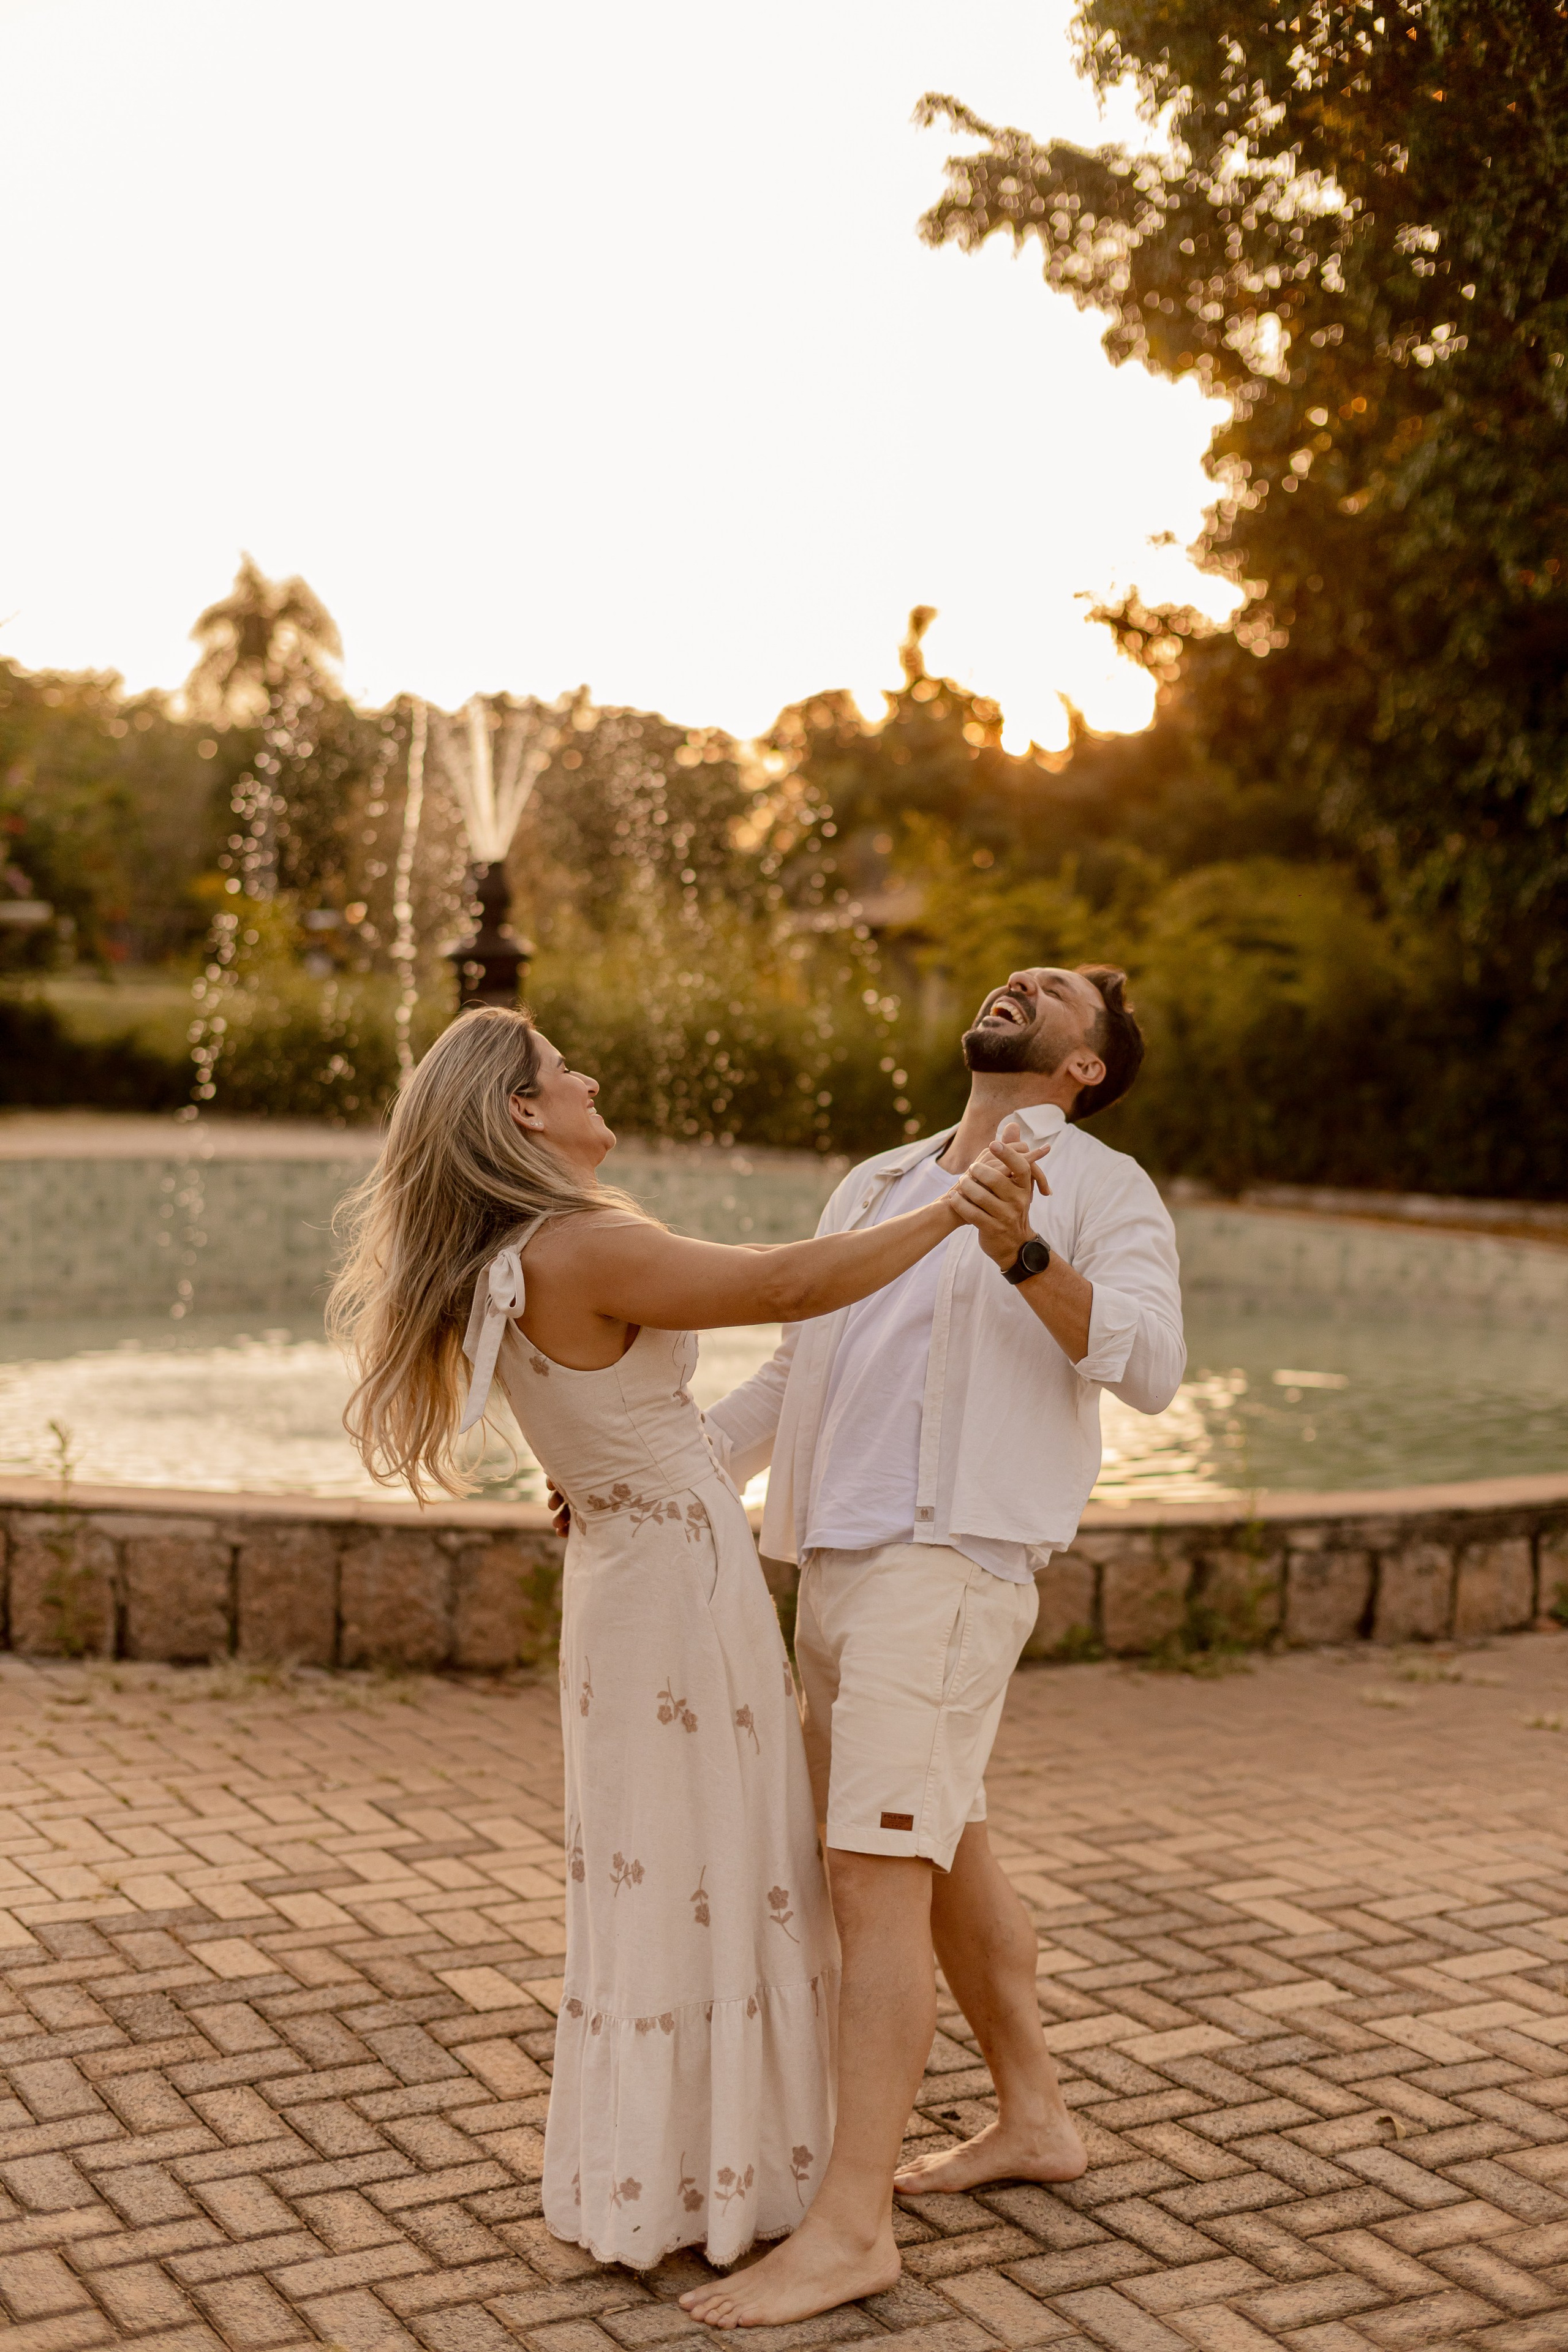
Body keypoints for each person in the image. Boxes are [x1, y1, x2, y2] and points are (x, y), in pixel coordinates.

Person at [326, 1005, 1014, 2278]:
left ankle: (669, 2172)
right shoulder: (586, 1242)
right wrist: (955, 1205)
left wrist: (625, 1464)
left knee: (663, 1866)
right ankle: (733, 2180)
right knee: (719, 1857)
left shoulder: (516, 1253)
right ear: (524, 1113)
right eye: (558, 1069)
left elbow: (609, 1415)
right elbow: (783, 1287)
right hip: (679, 1594)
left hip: (626, 1577)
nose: (586, 1076)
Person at [680, 962, 1185, 2329]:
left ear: (1085, 1065)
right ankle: (1034, 2118)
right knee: (938, 1845)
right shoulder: (873, 1180)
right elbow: (797, 1368)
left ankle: (850, 2229)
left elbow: (1147, 1365)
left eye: (1061, 990)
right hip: (833, 1561)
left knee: (869, 1876)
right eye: (1016, 972)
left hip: (947, 1559)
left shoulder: (1099, 1186)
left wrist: (1022, 1249)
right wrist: (679, 1466)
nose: (1020, 978)